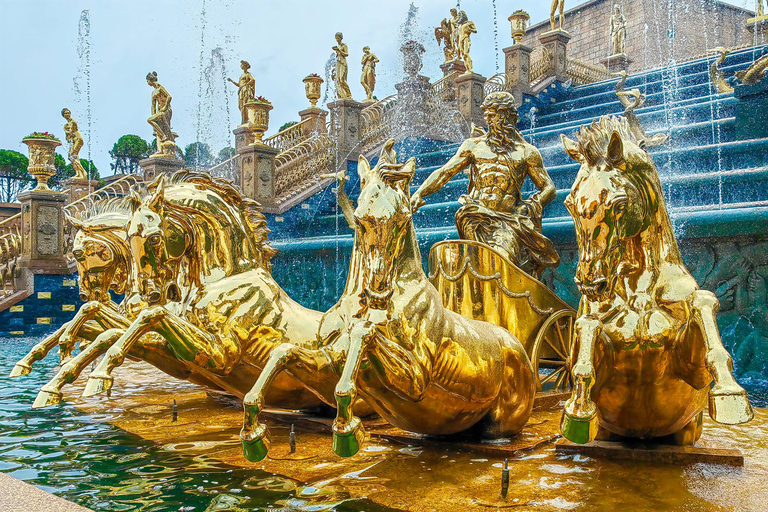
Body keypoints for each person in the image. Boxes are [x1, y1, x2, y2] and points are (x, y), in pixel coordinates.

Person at [411, 92, 559, 277]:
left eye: (492, 116)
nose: (488, 121)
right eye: (486, 116)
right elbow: (444, 173)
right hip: (475, 217)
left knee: (500, 260)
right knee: (480, 266)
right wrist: (419, 193)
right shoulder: (473, 146)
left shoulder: (527, 152)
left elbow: (549, 188)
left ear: (506, 115)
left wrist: (530, 207)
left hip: (507, 219)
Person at [146, 71, 178, 157]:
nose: (147, 83)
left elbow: (169, 96)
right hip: (160, 111)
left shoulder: (160, 87)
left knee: (161, 126)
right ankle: (160, 150)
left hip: (166, 110)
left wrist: (165, 106)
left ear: (150, 80)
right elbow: (153, 106)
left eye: (147, 81)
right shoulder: (153, 92)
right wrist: (154, 116)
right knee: (157, 130)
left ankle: (166, 138)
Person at [61, 108, 87, 179]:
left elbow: (71, 132)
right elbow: (68, 138)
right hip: (74, 141)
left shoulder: (72, 121)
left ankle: (83, 172)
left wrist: (65, 130)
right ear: (63, 115)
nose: (67, 114)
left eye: (68, 113)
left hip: (78, 139)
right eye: (65, 113)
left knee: (72, 155)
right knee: (71, 157)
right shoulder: (67, 124)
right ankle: (78, 174)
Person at [228, 60, 256, 125]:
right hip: (241, 90)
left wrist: (247, 84)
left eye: (242, 65)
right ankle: (244, 120)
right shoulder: (242, 75)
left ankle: (248, 120)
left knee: (246, 104)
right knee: (241, 106)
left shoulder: (248, 74)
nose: (241, 66)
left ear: (245, 66)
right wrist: (232, 81)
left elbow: (253, 79)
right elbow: (239, 85)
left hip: (245, 90)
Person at [333, 32, 352, 100]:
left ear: (341, 38)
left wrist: (338, 50)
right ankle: (341, 95)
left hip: (343, 63)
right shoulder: (338, 46)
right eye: (336, 38)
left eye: (338, 38)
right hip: (338, 63)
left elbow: (346, 54)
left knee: (342, 79)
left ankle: (349, 95)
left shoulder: (344, 45)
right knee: (338, 80)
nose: (337, 40)